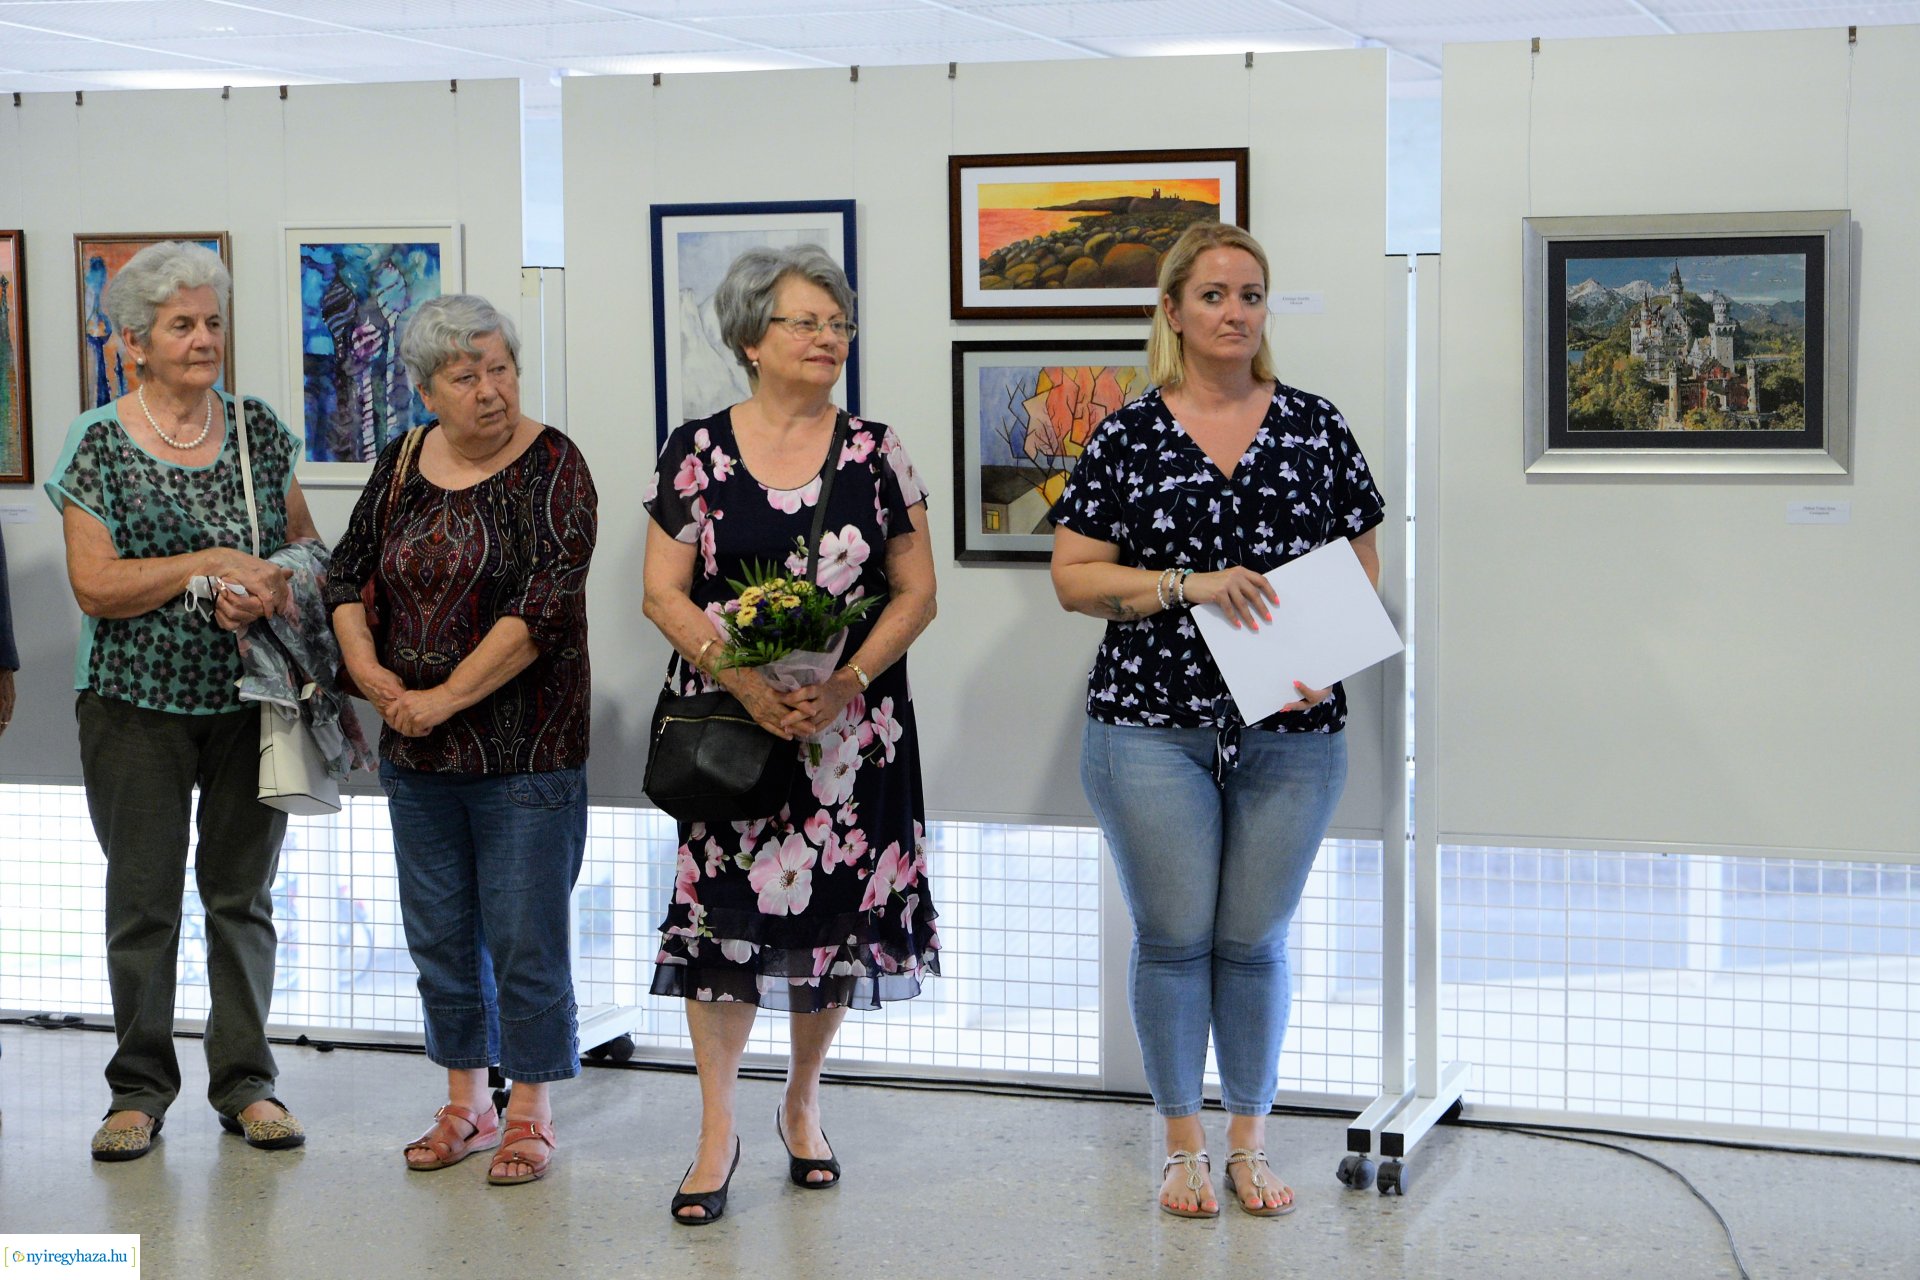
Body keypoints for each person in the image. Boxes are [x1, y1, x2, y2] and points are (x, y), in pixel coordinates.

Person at [1049, 222, 1385, 1219]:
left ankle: (1249, 1136)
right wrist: (1186, 585)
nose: (1235, 311)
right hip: (1151, 726)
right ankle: (1181, 1145)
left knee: (1254, 938)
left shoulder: (1316, 425)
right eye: (1214, 295)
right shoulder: (1129, 432)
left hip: (1291, 725)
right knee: (1174, 935)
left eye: (1251, 294)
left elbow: (1362, 561)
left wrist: (1321, 657)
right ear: (1172, 311)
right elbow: (1075, 576)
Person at [642, 246, 940, 1224]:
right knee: (722, 928)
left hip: (851, 736)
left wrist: (848, 680)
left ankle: (802, 1101)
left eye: (837, 322)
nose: (828, 338)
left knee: (832, 931)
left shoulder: (877, 450)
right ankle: (716, 1127)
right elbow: (663, 590)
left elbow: (917, 589)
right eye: (806, 322)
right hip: (735, 731)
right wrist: (741, 678)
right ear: (749, 338)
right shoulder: (697, 449)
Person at [44, 240, 317, 1160]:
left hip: (250, 702)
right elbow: (95, 585)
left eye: (211, 322)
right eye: (182, 326)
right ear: (133, 342)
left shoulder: (259, 429)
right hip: (133, 708)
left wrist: (270, 585)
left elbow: (306, 553)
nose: (204, 340)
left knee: (242, 898)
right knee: (145, 902)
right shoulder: (99, 441)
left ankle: (247, 1084)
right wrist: (203, 565)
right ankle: (138, 1091)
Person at [326, 293, 596, 1187]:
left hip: (525, 753)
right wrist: (369, 674)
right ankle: (467, 1103)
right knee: (441, 936)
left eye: (501, 368)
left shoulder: (555, 465)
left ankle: (531, 1111)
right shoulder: (402, 459)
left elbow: (544, 613)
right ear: (424, 390)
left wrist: (440, 698)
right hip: (417, 755)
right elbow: (346, 571)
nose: (490, 390)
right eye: (466, 374)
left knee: (524, 937)